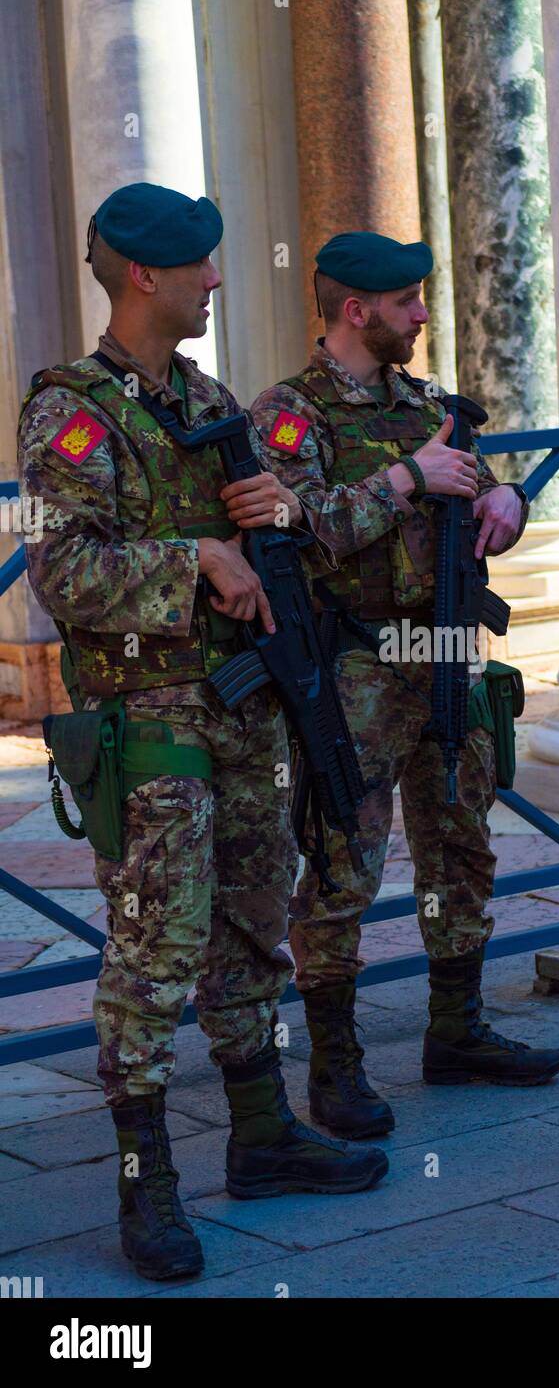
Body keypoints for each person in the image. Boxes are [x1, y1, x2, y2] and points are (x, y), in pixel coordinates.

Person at [17, 184, 387, 1283]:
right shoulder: (69, 411)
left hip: (240, 712)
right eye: (203, 267)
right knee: (155, 948)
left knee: (249, 926)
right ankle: (149, 1185)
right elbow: (60, 570)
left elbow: (274, 544)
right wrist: (196, 563)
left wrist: (270, 520)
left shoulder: (209, 398)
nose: (219, 281)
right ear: (146, 275)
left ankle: (263, 1132)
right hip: (149, 726)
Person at [238, 231, 559, 1138]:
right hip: (359, 673)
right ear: (357, 310)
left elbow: (481, 487)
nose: (424, 315)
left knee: (461, 842)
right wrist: (405, 479)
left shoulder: (427, 402)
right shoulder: (288, 416)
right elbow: (299, 528)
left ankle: (456, 1031)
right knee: (345, 861)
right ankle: (335, 1067)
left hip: (449, 657)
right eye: (409, 302)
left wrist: (508, 502)